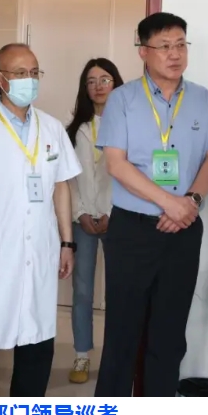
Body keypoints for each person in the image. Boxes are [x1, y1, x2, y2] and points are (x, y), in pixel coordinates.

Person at [94, 12, 208, 397]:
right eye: (164, 46)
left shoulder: (201, 98)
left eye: (181, 44)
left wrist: (191, 202)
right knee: (122, 334)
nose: (175, 54)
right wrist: (170, 203)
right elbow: (116, 163)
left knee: (169, 335)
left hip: (183, 231)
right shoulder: (122, 99)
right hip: (133, 230)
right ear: (143, 51)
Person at [0, 42, 82, 397]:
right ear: (0, 79)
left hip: (40, 248)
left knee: (37, 342)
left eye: (35, 72)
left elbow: (60, 187)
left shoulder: (52, 128)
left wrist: (67, 242)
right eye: (21, 73)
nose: (30, 80)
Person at [64, 57, 125, 385]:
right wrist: (80, 213)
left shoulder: (129, 126)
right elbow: (69, 180)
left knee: (119, 291)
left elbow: (131, 177)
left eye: (105, 79)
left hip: (118, 219)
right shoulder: (74, 130)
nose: (98, 86)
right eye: (91, 81)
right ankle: (82, 354)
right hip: (83, 219)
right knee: (83, 291)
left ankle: (115, 356)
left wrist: (112, 213)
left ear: (116, 84)